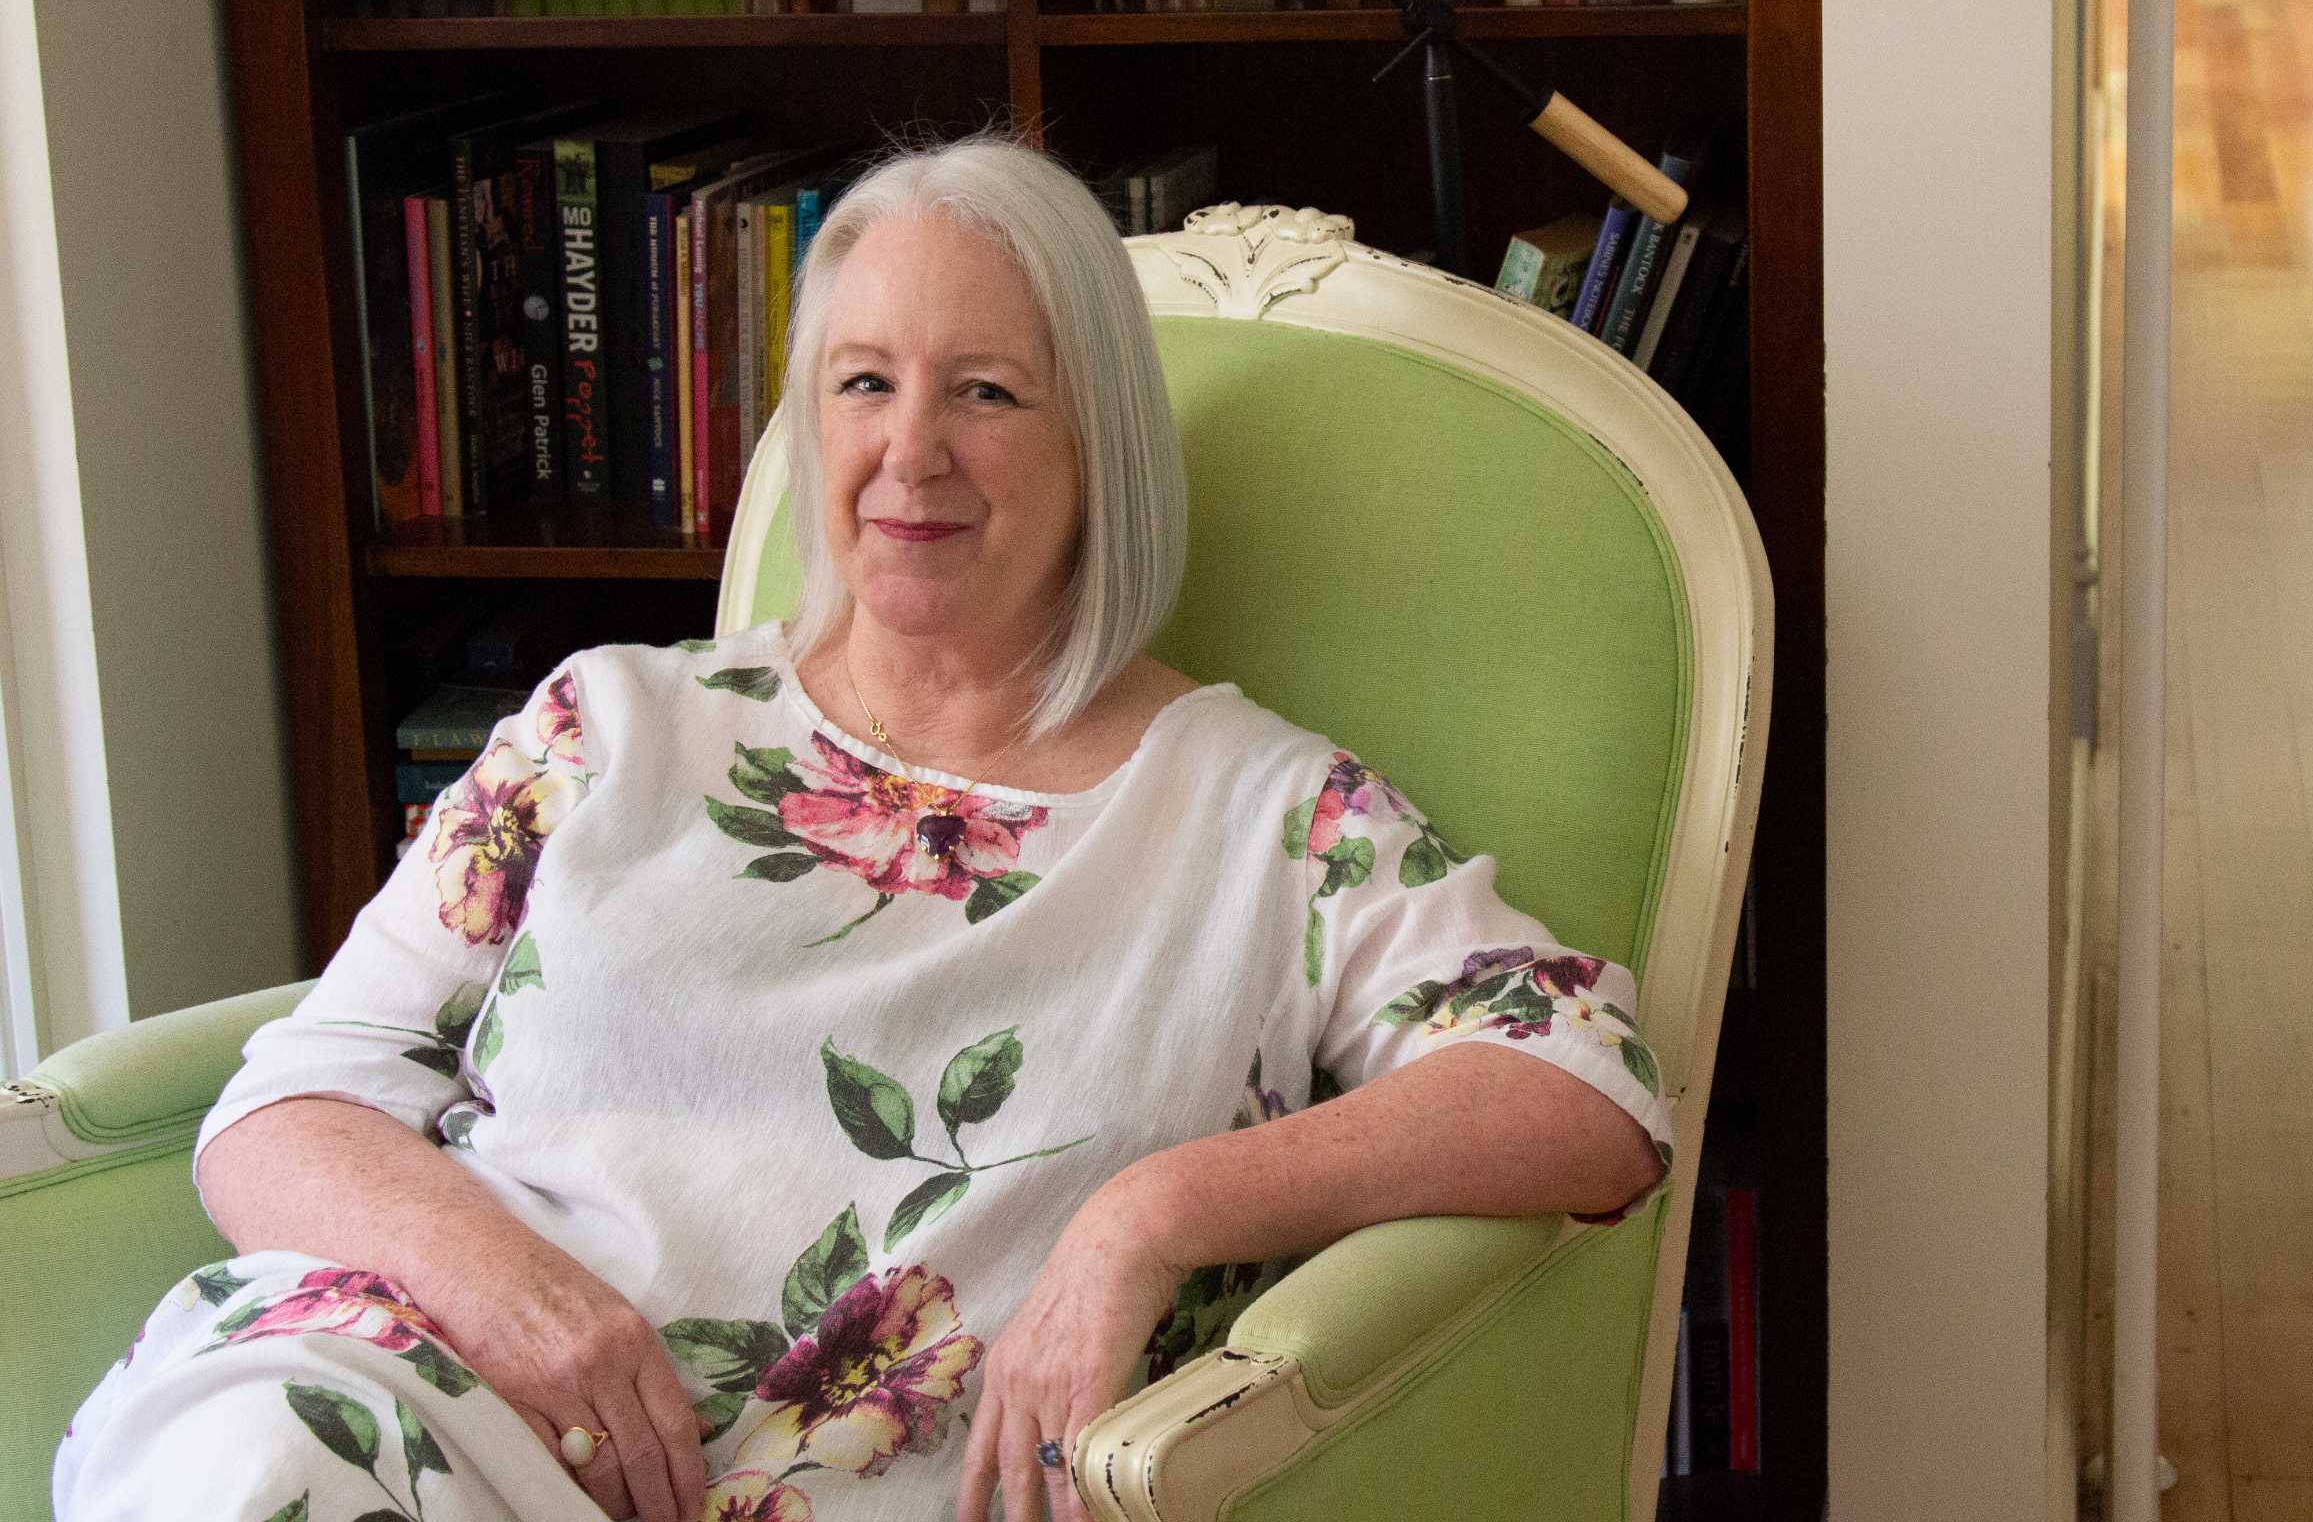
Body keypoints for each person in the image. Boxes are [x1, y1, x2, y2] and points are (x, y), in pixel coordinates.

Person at [55, 137, 1671, 1522]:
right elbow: (291, 1108)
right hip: (423, 1409)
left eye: (986, 392)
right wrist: (520, 1298)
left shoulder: (1260, 820)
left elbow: (1586, 1085)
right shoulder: (612, 722)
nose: (914, 455)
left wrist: (1157, 1213)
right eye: (864, 385)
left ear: (1099, 443)